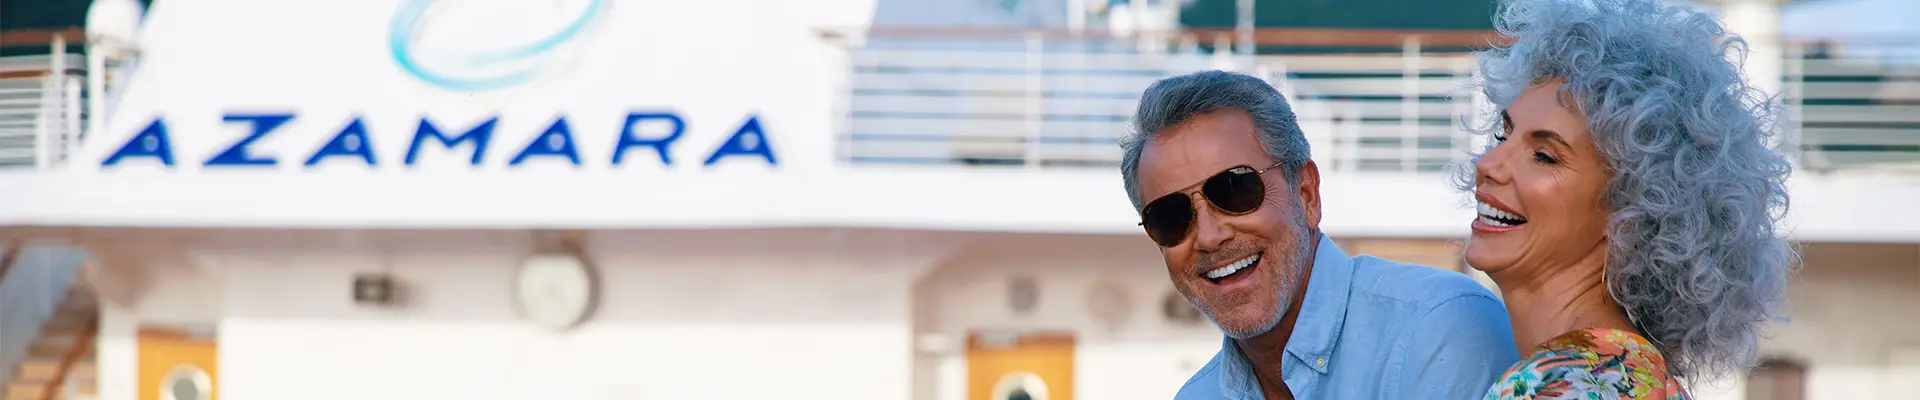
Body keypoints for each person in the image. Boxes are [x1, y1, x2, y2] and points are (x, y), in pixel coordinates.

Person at [1458, 0, 1797, 398]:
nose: (1489, 163)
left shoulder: (1558, 387)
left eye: (1545, 156)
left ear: (1633, 213)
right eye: (1504, 135)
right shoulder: (1636, 378)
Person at [1121, 70, 1519, 400]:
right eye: (1170, 217)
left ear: (1307, 194)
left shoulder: (1440, 330)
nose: (1208, 236)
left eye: (1235, 190)